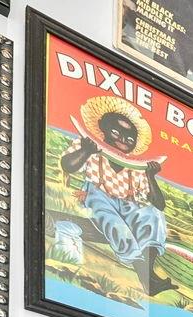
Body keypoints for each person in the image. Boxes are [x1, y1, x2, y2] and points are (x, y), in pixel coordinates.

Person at [59, 96, 172, 296]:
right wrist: (85, 151)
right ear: (103, 130)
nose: (122, 140)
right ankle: (144, 275)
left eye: (129, 139)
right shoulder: (89, 147)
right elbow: (68, 165)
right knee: (113, 221)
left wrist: (150, 176)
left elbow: (159, 205)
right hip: (96, 196)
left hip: (127, 203)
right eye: (115, 132)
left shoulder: (135, 167)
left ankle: (148, 272)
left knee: (154, 215)